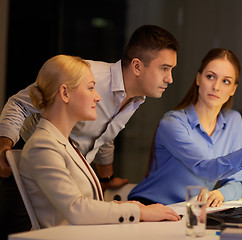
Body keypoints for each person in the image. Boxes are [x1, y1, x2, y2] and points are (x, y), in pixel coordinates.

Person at [0, 25, 179, 238]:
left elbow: (103, 136)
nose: (170, 78)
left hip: (72, 169)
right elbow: (19, 104)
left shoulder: (135, 98)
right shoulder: (84, 75)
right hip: (33, 166)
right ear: (137, 66)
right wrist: (4, 146)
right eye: (165, 68)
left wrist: (106, 177)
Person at [128, 48, 242, 207]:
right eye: (210, 77)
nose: (216, 87)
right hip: (150, 206)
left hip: (190, 212)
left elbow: (236, 182)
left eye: (226, 81)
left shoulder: (233, 120)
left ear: (233, 89)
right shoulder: (172, 123)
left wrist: (220, 194)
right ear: (198, 79)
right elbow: (205, 168)